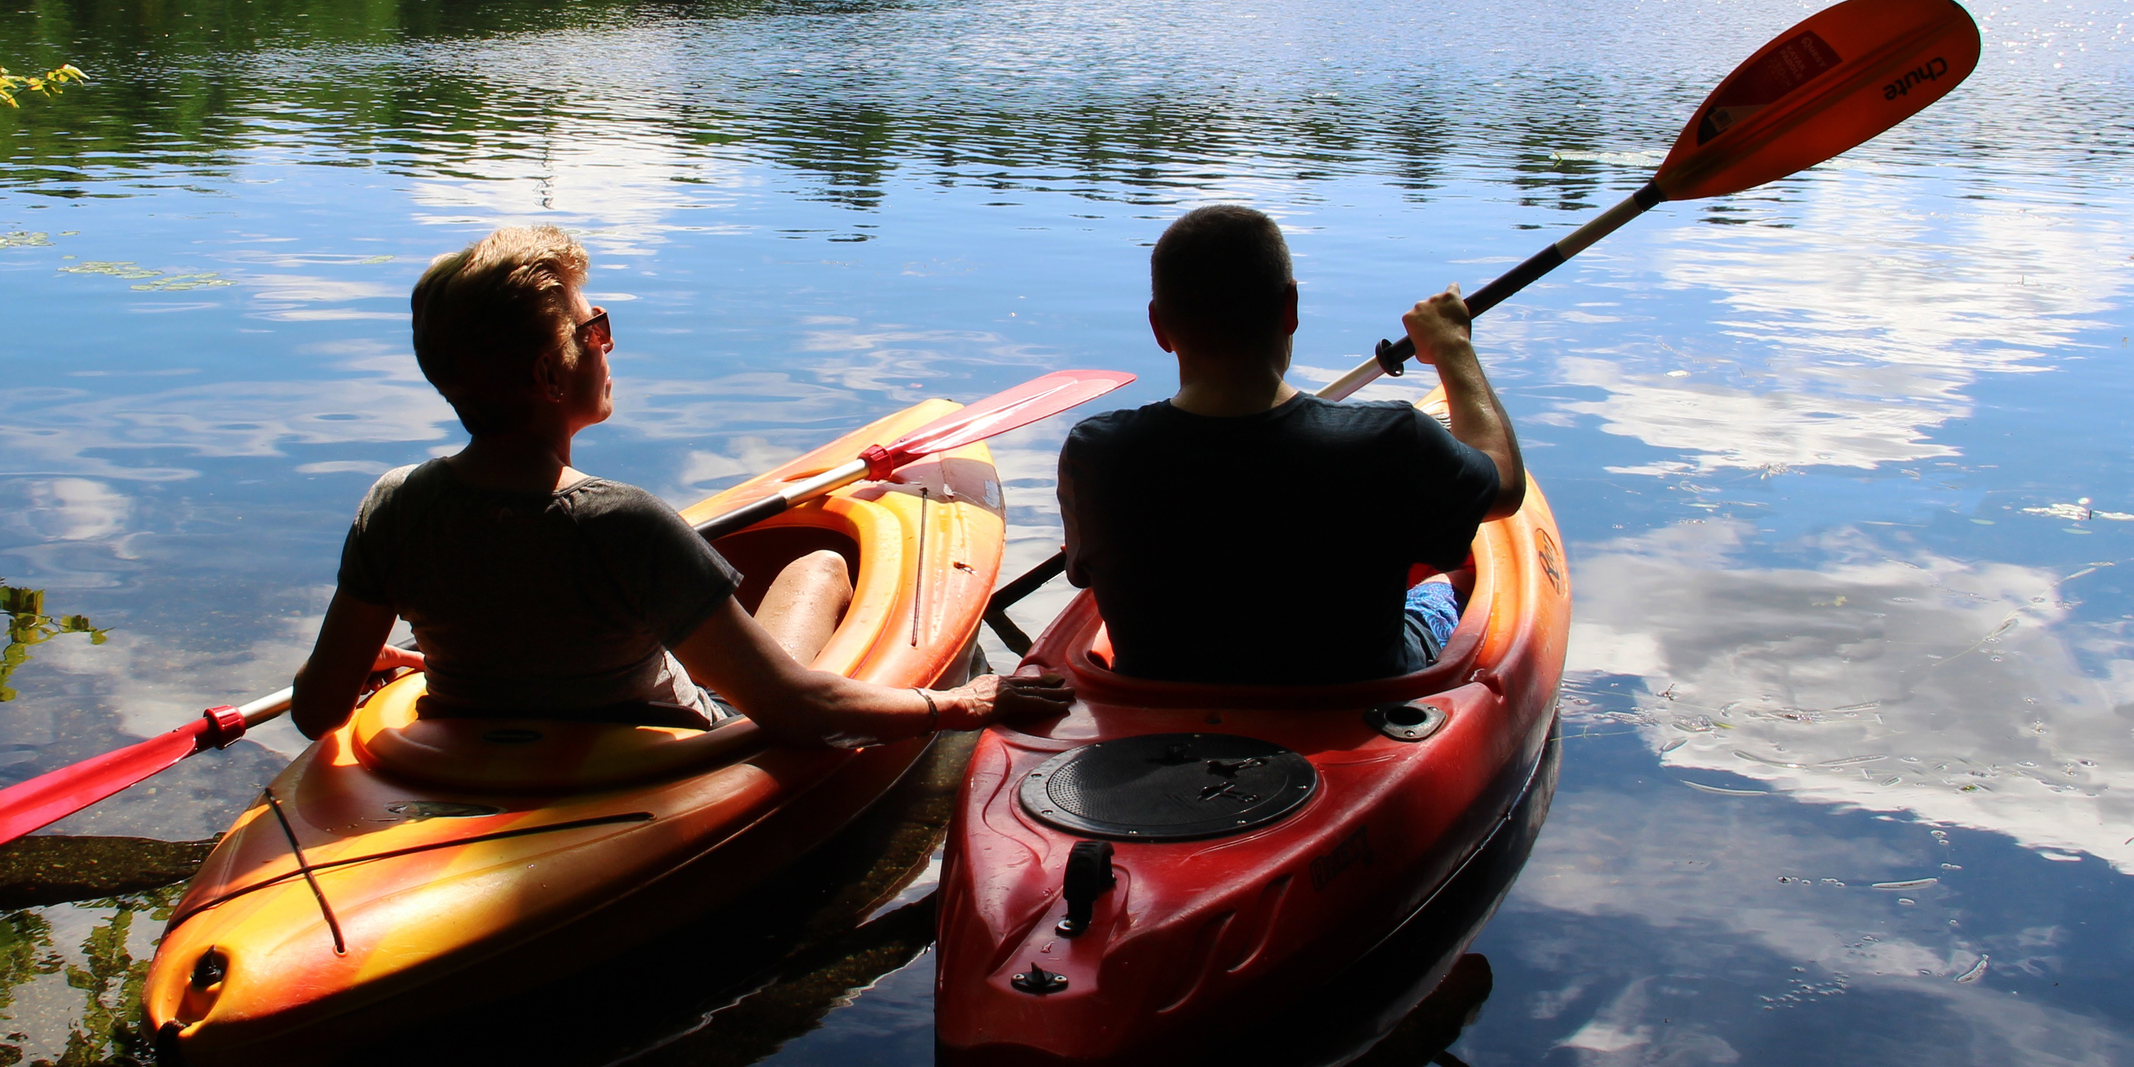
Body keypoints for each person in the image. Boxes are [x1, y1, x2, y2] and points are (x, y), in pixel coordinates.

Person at [290, 225, 1070, 742]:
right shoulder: (623, 524)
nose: (610, 343)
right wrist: (961, 703)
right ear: (547, 376)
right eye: (594, 329)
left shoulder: (392, 507)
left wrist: (408, 659)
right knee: (823, 565)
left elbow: (317, 710)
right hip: (651, 751)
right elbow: (793, 709)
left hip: (468, 739)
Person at [1055, 204, 1525, 686]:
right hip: (1351, 699)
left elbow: (1084, 576)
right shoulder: (1392, 441)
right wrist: (1453, 347)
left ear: (1158, 326)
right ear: (1290, 309)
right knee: (1454, 582)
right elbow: (1505, 486)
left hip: (1156, 707)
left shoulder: (1095, 453)